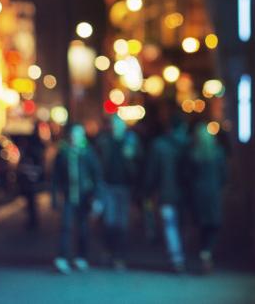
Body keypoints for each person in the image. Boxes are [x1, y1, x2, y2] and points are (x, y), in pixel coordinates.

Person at [51, 123, 101, 274]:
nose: (75, 137)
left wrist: (97, 198)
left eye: (78, 134)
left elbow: (97, 175)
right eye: (73, 134)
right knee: (66, 227)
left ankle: (81, 257)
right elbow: (55, 177)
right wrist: (54, 197)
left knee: (83, 228)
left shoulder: (88, 153)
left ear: (82, 136)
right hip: (69, 196)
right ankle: (63, 258)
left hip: (85, 197)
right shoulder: (63, 153)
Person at [145, 112, 189, 273]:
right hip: (184, 193)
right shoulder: (188, 145)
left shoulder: (159, 146)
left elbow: (152, 171)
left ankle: (176, 258)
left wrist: (147, 190)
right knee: (181, 224)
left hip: (166, 193)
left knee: (170, 226)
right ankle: (182, 256)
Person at [95, 115, 140, 269]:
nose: (116, 128)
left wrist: (131, 157)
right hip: (108, 186)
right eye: (114, 125)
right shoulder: (104, 140)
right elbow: (98, 161)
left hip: (125, 187)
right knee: (110, 222)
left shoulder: (131, 141)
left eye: (119, 125)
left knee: (122, 224)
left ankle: (119, 256)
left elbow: (139, 163)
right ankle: (109, 251)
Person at [186, 122, 227, 273]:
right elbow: (224, 175)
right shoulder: (218, 153)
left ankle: (203, 252)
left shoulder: (193, 154)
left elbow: (187, 176)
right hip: (213, 193)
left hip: (198, 194)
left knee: (202, 224)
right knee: (213, 223)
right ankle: (206, 252)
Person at [16, 124, 45, 230]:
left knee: (30, 198)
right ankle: (33, 220)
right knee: (31, 198)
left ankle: (33, 220)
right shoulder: (37, 144)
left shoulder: (31, 144)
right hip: (33, 174)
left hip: (30, 174)